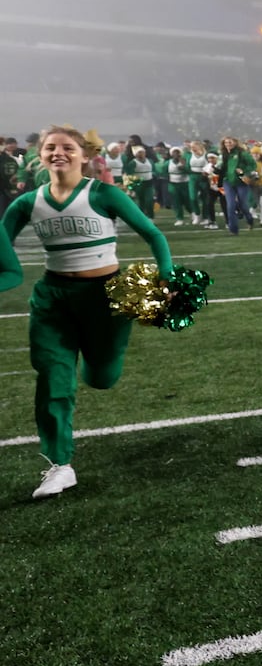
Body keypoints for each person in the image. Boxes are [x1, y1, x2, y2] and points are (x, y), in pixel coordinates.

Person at [0, 125, 175, 498]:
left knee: (101, 377)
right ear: (40, 156)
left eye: (66, 147)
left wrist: (166, 279)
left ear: (84, 156)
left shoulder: (104, 193)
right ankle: (59, 465)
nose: (57, 152)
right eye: (50, 147)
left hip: (107, 295)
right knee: (52, 376)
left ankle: (88, 363)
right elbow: (7, 264)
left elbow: (153, 235)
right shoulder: (25, 203)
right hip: (52, 297)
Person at [219, 136, 256, 235]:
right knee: (230, 206)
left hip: (241, 181)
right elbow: (222, 167)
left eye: (230, 142)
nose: (228, 144)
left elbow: (252, 165)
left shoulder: (242, 153)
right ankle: (233, 230)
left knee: (243, 205)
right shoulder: (223, 154)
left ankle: (249, 219)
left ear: (235, 142)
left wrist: (244, 171)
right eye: (226, 143)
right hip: (228, 182)